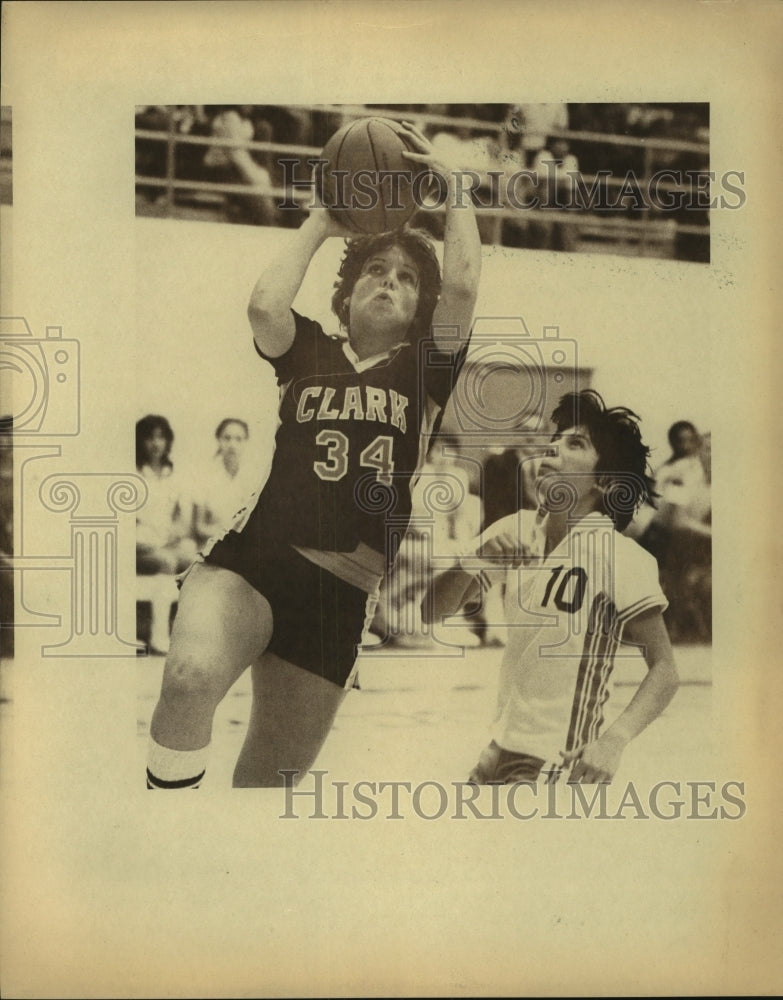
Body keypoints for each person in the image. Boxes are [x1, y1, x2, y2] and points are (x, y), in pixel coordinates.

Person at [146, 121, 482, 789]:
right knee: (187, 678)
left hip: (340, 592)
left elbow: (465, 289)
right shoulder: (309, 351)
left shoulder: (425, 369)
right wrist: (322, 221)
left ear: (421, 305)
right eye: (375, 271)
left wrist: (457, 191)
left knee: (266, 788)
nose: (388, 282)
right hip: (254, 560)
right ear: (347, 293)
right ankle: (164, 828)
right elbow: (262, 306)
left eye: (406, 278)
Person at [425, 389, 679, 784]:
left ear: (605, 480)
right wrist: (474, 560)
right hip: (497, 747)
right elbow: (431, 611)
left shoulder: (621, 556)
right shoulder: (515, 528)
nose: (552, 449)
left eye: (575, 444)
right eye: (553, 441)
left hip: (558, 755)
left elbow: (665, 669)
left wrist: (615, 739)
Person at [135, 415, 197, 654]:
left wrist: (175, 534)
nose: (155, 443)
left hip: (168, 541)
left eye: (161, 437)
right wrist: (148, 540)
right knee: (167, 561)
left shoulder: (175, 475)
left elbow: (184, 518)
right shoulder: (133, 474)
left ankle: (190, 635)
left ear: (168, 441)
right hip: (140, 545)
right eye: (149, 437)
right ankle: (159, 636)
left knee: (194, 558)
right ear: (140, 440)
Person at [193, 418, 256, 548]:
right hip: (211, 545)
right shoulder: (204, 478)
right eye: (227, 438)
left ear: (246, 442)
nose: (232, 445)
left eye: (238, 439)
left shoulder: (253, 479)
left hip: (244, 545)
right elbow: (199, 527)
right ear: (219, 440)